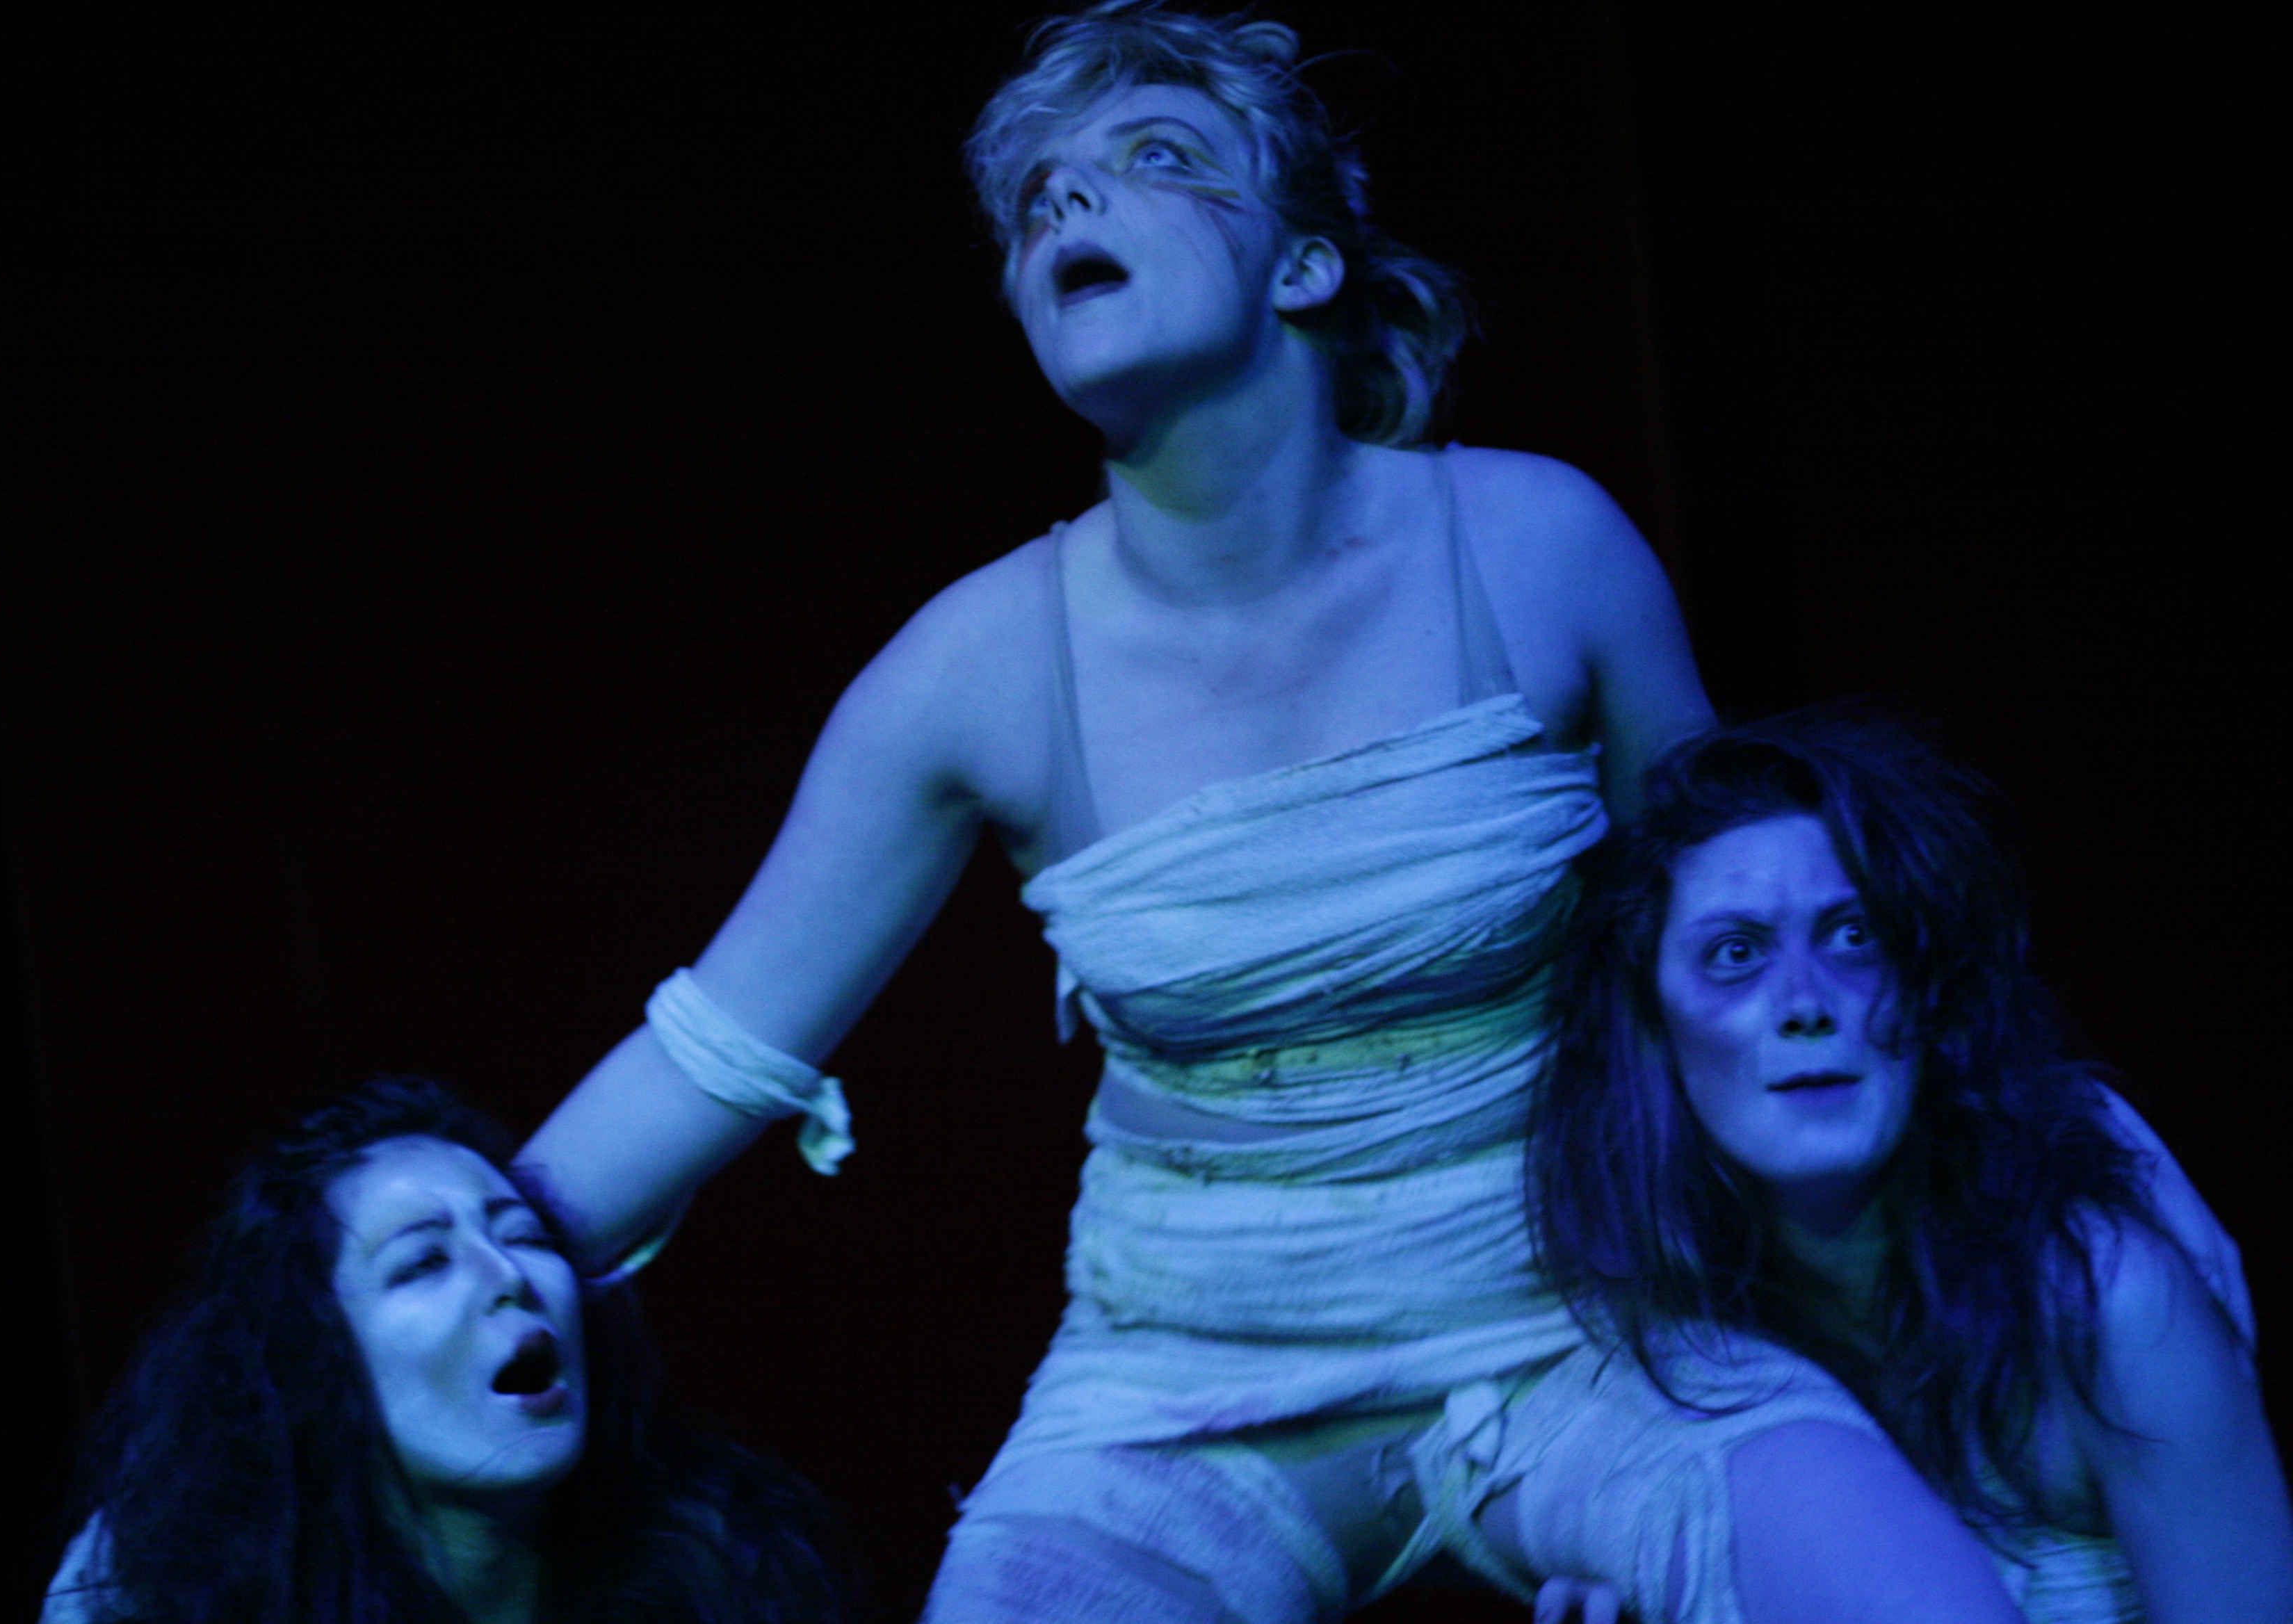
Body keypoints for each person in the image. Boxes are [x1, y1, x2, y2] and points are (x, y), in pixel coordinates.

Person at [514, 6, 2134, 1620]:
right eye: (1034, 201)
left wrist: (2054, 1164)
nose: (1067, 201)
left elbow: (1746, 941)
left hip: (1586, 1327)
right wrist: (450, 1246)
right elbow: (711, 1051)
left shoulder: (1536, 547)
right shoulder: (974, 669)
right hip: (1178, 1388)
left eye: (1155, 156)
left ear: (1302, 264)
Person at [1514, 713, 2292, 1623]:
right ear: (1653, 1028)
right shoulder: (1661, 1347)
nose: (1805, 1002)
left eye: (1854, 935)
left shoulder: (2106, 1307)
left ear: (1928, 990)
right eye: (1737, 954)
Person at [41, 1076, 849, 1623]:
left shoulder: (718, 1568)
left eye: (524, 1235)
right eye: (424, 1261)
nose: (510, 1276)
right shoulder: (172, 1589)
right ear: (311, 1361)